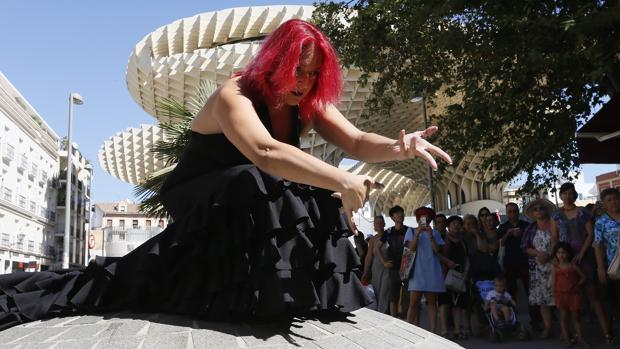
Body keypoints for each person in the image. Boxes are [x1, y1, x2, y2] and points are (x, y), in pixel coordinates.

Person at [0, 19, 452, 330]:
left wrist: (397, 146)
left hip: (247, 190)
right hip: (201, 194)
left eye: (313, 74)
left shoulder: (307, 103)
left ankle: (286, 292)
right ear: (275, 61)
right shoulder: (234, 94)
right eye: (297, 69)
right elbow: (264, 151)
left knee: (306, 188)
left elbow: (354, 141)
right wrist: (343, 182)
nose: (303, 82)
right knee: (268, 177)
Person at [552, 182, 610, 341]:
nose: (567, 196)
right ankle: (574, 334)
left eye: (570, 193)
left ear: (575, 195)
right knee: (569, 300)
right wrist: (555, 258)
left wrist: (582, 253)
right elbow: (554, 239)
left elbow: (590, 234)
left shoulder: (584, 213)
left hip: (583, 257)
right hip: (564, 259)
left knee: (593, 297)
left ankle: (607, 333)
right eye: (564, 193)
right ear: (560, 195)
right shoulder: (556, 215)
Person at [497, 202, 542, 331]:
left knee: (531, 293)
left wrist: (522, 234)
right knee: (510, 294)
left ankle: (536, 321)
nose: (512, 214)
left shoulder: (526, 226)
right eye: (510, 212)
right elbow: (499, 243)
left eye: (514, 211)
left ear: (518, 212)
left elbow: (533, 242)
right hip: (509, 264)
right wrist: (508, 234)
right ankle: (513, 321)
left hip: (525, 263)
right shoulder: (503, 227)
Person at [521, 198, 558, 339]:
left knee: (559, 297)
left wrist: (550, 254)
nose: (539, 211)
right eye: (535, 209)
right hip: (538, 268)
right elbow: (524, 247)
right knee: (543, 300)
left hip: (554, 265)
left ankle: (566, 328)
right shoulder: (531, 228)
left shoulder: (554, 224)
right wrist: (538, 253)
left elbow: (561, 241)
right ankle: (548, 328)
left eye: (541, 208)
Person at [405, 207, 445, 332]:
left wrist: (430, 235)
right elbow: (411, 249)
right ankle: (407, 330)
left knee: (432, 303)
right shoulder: (411, 231)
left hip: (432, 271)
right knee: (413, 303)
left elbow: (438, 250)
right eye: (422, 219)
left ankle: (433, 332)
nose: (424, 222)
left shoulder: (435, 233)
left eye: (427, 220)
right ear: (417, 220)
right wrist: (417, 235)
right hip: (416, 272)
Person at [375, 205, 413, 317]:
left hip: (407, 268)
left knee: (408, 295)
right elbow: (377, 247)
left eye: (401, 213)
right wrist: (384, 262)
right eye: (396, 214)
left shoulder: (409, 230)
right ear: (392, 217)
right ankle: (394, 320)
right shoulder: (389, 232)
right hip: (393, 268)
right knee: (393, 296)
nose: (400, 215)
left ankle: (408, 319)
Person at [594, 187, 620, 345]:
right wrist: (600, 268)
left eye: (616, 198)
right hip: (613, 268)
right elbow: (598, 245)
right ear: (604, 204)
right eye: (609, 200)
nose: (614, 202)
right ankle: (610, 333)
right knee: (611, 302)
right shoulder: (601, 222)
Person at [438, 215, 470, 339]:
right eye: (453, 223)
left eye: (458, 223)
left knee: (458, 303)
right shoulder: (442, 239)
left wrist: (466, 272)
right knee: (444, 303)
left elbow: (467, 258)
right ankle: (444, 330)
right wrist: (447, 262)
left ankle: (457, 330)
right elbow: (437, 254)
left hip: (460, 276)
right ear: (448, 226)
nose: (456, 226)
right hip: (445, 275)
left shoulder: (463, 241)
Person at [552, 242, 589, 347]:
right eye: (558, 253)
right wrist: (554, 295)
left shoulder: (573, 266)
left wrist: (576, 285)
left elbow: (583, 277)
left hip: (573, 294)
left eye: (563, 252)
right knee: (563, 317)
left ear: (568, 254)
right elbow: (553, 283)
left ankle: (580, 337)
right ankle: (566, 337)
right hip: (561, 294)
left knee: (576, 317)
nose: (561, 255)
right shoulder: (556, 268)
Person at [362, 215, 391, 314]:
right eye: (376, 222)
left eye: (380, 222)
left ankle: (382, 314)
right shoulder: (372, 239)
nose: (378, 224)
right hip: (376, 270)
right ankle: (380, 313)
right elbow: (369, 256)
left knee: (384, 292)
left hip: (387, 268)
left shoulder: (389, 236)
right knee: (377, 293)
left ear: (384, 224)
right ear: (374, 225)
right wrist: (365, 271)